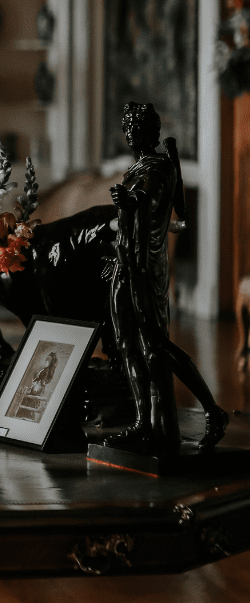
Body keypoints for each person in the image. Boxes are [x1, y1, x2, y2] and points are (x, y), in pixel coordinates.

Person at [107, 102, 228, 452]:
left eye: (136, 126)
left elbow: (151, 196)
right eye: (128, 124)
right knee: (126, 343)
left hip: (143, 268)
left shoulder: (158, 168)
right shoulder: (142, 166)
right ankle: (143, 421)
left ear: (149, 133)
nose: (130, 131)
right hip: (123, 265)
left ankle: (213, 410)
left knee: (155, 345)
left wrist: (131, 199)